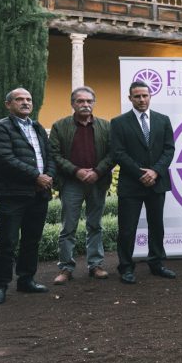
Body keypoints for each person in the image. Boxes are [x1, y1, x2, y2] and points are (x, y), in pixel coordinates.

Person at [110, 81, 177, 284]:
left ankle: (156, 264)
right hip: (131, 184)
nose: (142, 99)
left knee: (156, 225)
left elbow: (169, 149)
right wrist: (141, 173)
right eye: (137, 96)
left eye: (145, 95)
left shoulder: (163, 120)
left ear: (150, 96)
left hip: (157, 182)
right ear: (130, 98)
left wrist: (155, 172)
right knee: (127, 228)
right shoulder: (119, 122)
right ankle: (126, 268)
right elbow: (118, 153)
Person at [0, 88, 56, 304]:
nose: (25, 102)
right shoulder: (0, 127)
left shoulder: (38, 126)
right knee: (8, 241)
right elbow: (4, 158)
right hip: (12, 194)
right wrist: (36, 177)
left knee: (32, 239)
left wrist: (48, 176)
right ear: (8, 104)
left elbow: (49, 156)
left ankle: (26, 279)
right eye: (19, 99)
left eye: (28, 99)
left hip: (39, 193)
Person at [49, 86, 114, 284]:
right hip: (71, 183)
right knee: (68, 227)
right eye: (80, 101)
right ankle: (66, 268)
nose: (85, 105)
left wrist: (97, 172)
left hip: (97, 182)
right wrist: (76, 170)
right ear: (72, 104)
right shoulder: (60, 126)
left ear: (94, 103)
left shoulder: (106, 126)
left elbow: (113, 153)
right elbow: (54, 154)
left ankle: (95, 265)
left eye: (89, 101)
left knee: (95, 225)